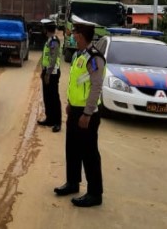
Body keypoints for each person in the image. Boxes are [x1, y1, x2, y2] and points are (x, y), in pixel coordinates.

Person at [54, 15, 106, 207]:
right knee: (72, 149)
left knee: (89, 153)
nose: (72, 36)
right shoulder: (79, 55)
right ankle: (72, 182)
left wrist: (87, 113)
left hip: (87, 114)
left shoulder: (94, 58)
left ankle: (94, 193)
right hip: (75, 110)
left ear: (82, 35)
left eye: (75, 33)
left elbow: (96, 87)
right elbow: (76, 84)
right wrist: (69, 102)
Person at [37, 20, 62, 133]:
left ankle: (57, 122)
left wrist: (47, 74)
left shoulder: (54, 41)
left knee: (54, 98)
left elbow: (53, 59)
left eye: (44, 28)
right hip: (47, 72)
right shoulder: (49, 40)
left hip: (52, 73)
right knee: (47, 97)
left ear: (46, 29)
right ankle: (49, 119)